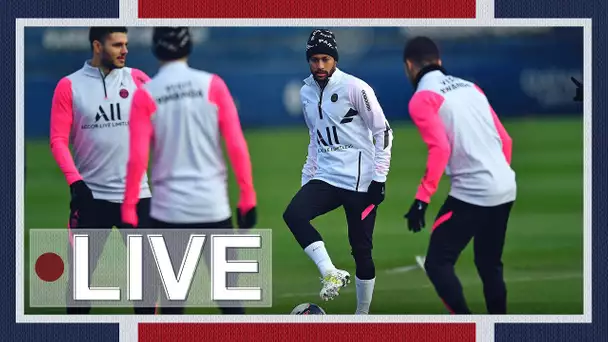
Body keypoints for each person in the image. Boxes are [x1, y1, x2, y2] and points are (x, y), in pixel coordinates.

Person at [121, 27, 257, 315]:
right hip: (213, 208)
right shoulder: (213, 84)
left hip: (169, 211)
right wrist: (247, 195)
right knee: (231, 303)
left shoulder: (145, 95)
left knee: (172, 306)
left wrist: (129, 207)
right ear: (188, 47)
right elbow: (236, 145)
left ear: (156, 50)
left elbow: (136, 158)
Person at [402, 36, 517, 315]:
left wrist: (422, 199)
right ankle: (497, 328)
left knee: (437, 263)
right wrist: (496, 180)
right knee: (490, 265)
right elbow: (506, 140)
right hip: (506, 186)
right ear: (439, 61)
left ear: (409, 66)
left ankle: (467, 326)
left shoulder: (421, 99)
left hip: (474, 192)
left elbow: (440, 148)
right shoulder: (472, 87)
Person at [282, 29, 393, 314]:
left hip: (361, 183)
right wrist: (308, 179)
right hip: (327, 177)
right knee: (293, 215)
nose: (320, 65)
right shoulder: (306, 92)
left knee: (362, 251)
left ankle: (362, 316)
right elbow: (314, 139)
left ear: (335, 59)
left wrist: (379, 178)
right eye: (314, 59)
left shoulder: (356, 88)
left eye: (325, 59)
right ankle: (330, 271)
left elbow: (383, 131)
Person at [49, 26, 154, 314]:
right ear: (97, 46)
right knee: (79, 290)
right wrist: (75, 182)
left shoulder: (139, 80)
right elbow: (58, 140)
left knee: (147, 290)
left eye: (126, 44)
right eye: (117, 44)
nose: (125, 50)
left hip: (137, 198)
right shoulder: (69, 86)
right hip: (91, 199)